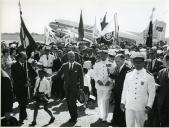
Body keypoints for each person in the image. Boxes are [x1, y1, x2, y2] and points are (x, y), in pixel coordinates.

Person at [121, 52, 156, 127]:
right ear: (133, 62)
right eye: (135, 62)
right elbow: (125, 89)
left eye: (140, 62)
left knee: (140, 125)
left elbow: (152, 93)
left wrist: (149, 105)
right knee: (129, 125)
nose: (137, 64)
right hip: (129, 105)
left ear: (144, 63)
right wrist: (123, 101)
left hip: (141, 106)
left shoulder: (149, 76)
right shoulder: (128, 74)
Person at [52, 51, 84, 123]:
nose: (71, 58)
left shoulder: (78, 65)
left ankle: (74, 117)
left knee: (72, 102)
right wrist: (50, 78)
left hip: (75, 87)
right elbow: (58, 74)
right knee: (68, 103)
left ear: (74, 57)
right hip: (66, 87)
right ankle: (72, 116)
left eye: (73, 56)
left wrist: (81, 88)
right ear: (67, 57)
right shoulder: (64, 65)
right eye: (70, 56)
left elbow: (81, 78)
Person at [11, 52, 37, 124]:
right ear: (20, 58)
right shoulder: (14, 66)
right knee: (21, 102)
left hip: (26, 88)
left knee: (24, 102)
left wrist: (30, 80)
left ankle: (23, 116)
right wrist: (24, 83)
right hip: (18, 87)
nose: (26, 59)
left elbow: (34, 74)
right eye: (24, 58)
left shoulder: (27, 64)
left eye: (26, 58)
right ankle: (22, 117)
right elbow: (15, 78)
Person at [109, 54, 131, 126]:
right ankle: (115, 120)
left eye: (118, 61)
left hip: (123, 92)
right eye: (115, 61)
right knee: (117, 106)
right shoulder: (116, 68)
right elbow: (115, 77)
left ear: (123, 60)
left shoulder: (127, 69)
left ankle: (122, 122)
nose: (116, 63)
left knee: (122, 107)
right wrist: (109, 73)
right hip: (117, 91)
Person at [92, 50, 113, 123]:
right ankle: (101, 115)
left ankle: (105, 117)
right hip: (99, 85)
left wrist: (109, 80)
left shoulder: (111, 62)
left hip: (108, 85)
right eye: (101, 55)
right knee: (100, 100)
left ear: (107, 55)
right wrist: (97, 80)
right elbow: (94, 73)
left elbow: (113, 73)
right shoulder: (97, 63)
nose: (102, 56)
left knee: (105, 100)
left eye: (104, 55)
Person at [157, 54, 169, 126]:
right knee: (163, 123)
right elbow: (158, 85)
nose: (162, 61)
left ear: (167, 61)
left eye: (163, 60)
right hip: (162, 103)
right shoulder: (161, 72)